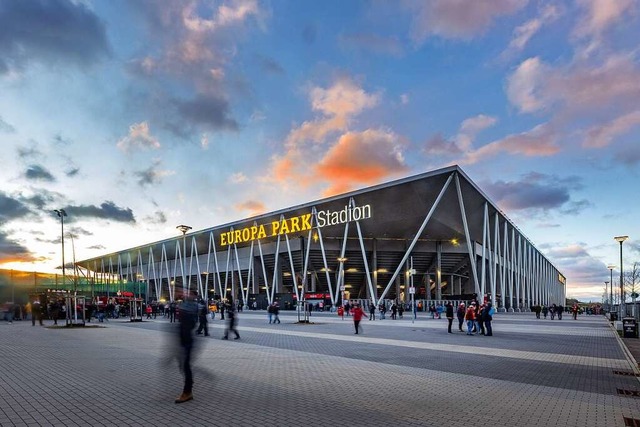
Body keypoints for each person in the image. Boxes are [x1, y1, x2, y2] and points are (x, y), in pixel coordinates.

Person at [175, 290, 198, 404]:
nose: (188, 295)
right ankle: (189, 385)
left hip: (187, 339)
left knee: (186, 365)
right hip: (184, 338)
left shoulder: (193, 306)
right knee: (183, 364)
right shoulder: (187, 305)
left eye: (190, 294)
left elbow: (187, 312)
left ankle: (187, 392)